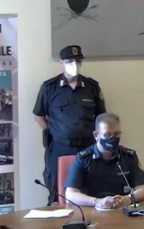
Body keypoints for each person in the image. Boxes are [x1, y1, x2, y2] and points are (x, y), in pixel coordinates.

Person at [33, 45, 106, 205]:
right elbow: (38, 115)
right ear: (61, 63)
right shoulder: (49, 88)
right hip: (59, 148)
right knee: (56, 193)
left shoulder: (92, 87)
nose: (74, 65)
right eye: (70, 61)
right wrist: (54, 131)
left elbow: (101, 117)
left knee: (89, 190)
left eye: (78, 61)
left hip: (87, 147)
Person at [65, 112, 144, 209]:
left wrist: (129, 199)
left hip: (121, 210)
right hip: (92, 211)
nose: (113, 139)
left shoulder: (128, 156)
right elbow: (70, 195)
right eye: (107, 134)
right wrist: (96, 202)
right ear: (96, 135)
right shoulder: (83, 158)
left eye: (116, 134)